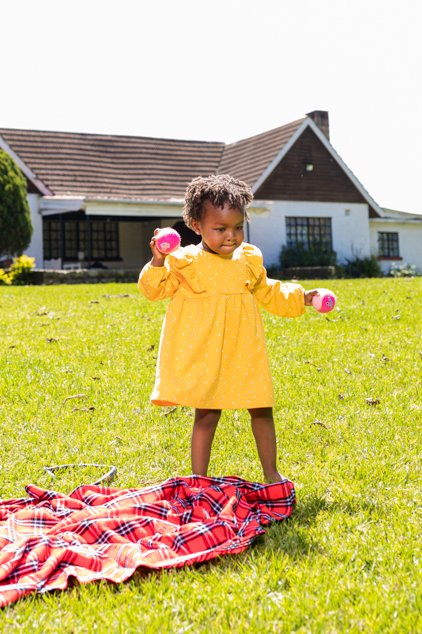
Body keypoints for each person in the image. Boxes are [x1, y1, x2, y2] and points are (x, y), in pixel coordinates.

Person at [138, 174, 329, 484]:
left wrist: (303, 297)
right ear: (197, 226)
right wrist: (158, 260)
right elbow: (153, 290)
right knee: (208, 414)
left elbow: (266, 290)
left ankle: (272, 473)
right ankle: (198, 480)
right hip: (205, 350)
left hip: (244, 347)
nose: (232, 236)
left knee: (261, 408)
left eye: (238, 227)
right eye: (221, 228)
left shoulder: (248, 259)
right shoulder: (184, 261)